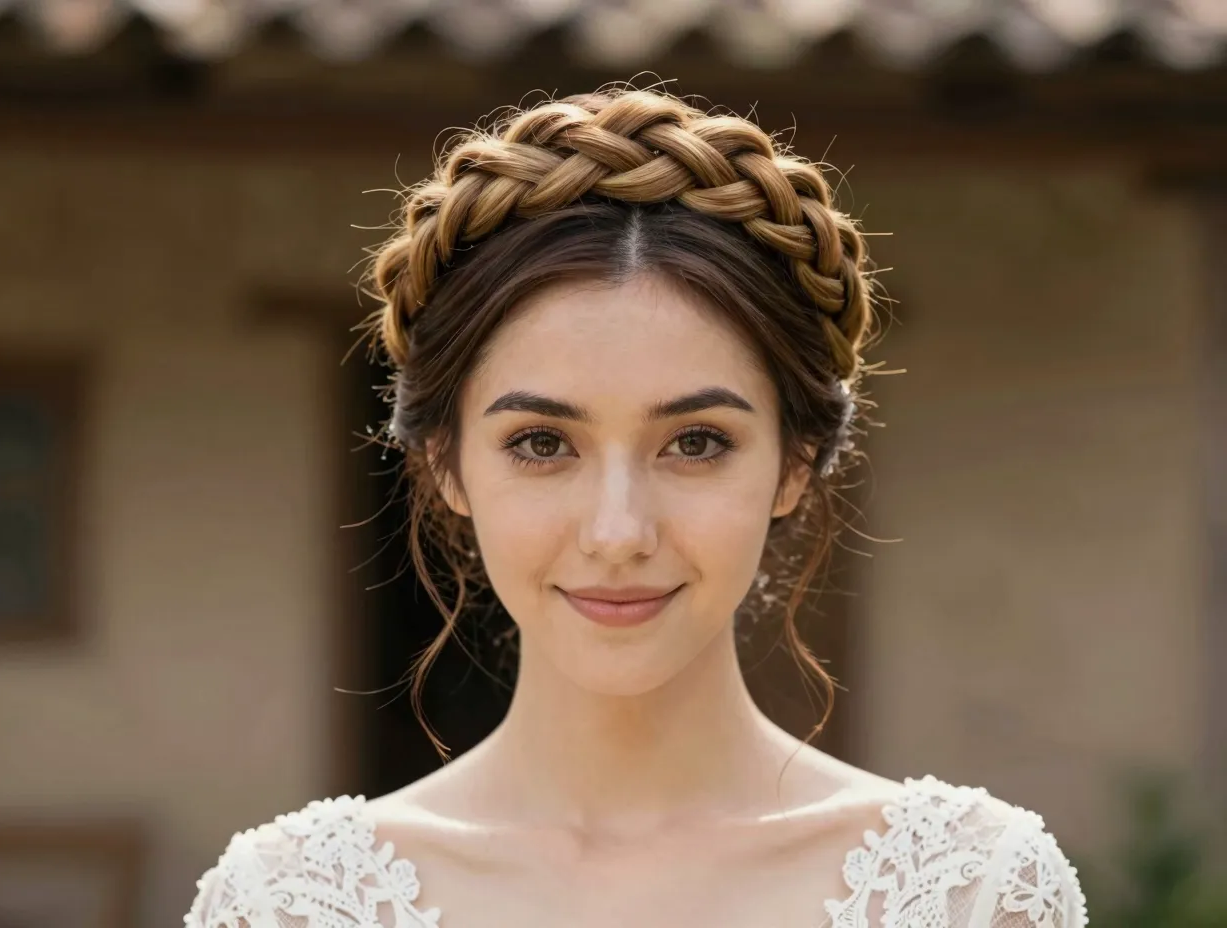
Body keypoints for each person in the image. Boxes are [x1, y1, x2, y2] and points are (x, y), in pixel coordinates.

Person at [185, 88, 1087, 928]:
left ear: (795, 463)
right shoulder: (288, 904)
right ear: (446, 465)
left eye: (695, 442)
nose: (618, 533)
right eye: (543, 443)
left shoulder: (971, 892)